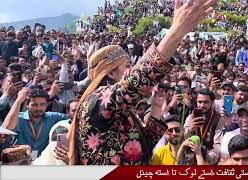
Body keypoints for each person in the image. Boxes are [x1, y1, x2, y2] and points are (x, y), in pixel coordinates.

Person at [69, 0, 215, 165]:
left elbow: (139, 147)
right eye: (127, 67)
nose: (131, 71)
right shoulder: (96, 100)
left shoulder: (117, 107)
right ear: (110, 72)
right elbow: (139, 77)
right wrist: (176, 32)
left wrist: (155, 112)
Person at [1, 88, 69, 157]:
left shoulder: (52, 117)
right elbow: (6, 129)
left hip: (42, 162)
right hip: (20, 161)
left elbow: (73, 118)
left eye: (42, 104)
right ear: (27, 105)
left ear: (46, 105)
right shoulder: (18, 118)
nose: (38, 108)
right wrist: (18, 101)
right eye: (34, 105)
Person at [184, 89, 224, 165]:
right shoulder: (191, 117)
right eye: (199, 102)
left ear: (212, 102)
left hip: (209, 157)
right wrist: (190, 129)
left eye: (206, 102)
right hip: (191, 156)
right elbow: (184, 139)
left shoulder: (218, 119)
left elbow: (217, 144)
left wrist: (206, 159)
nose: (202, 105)